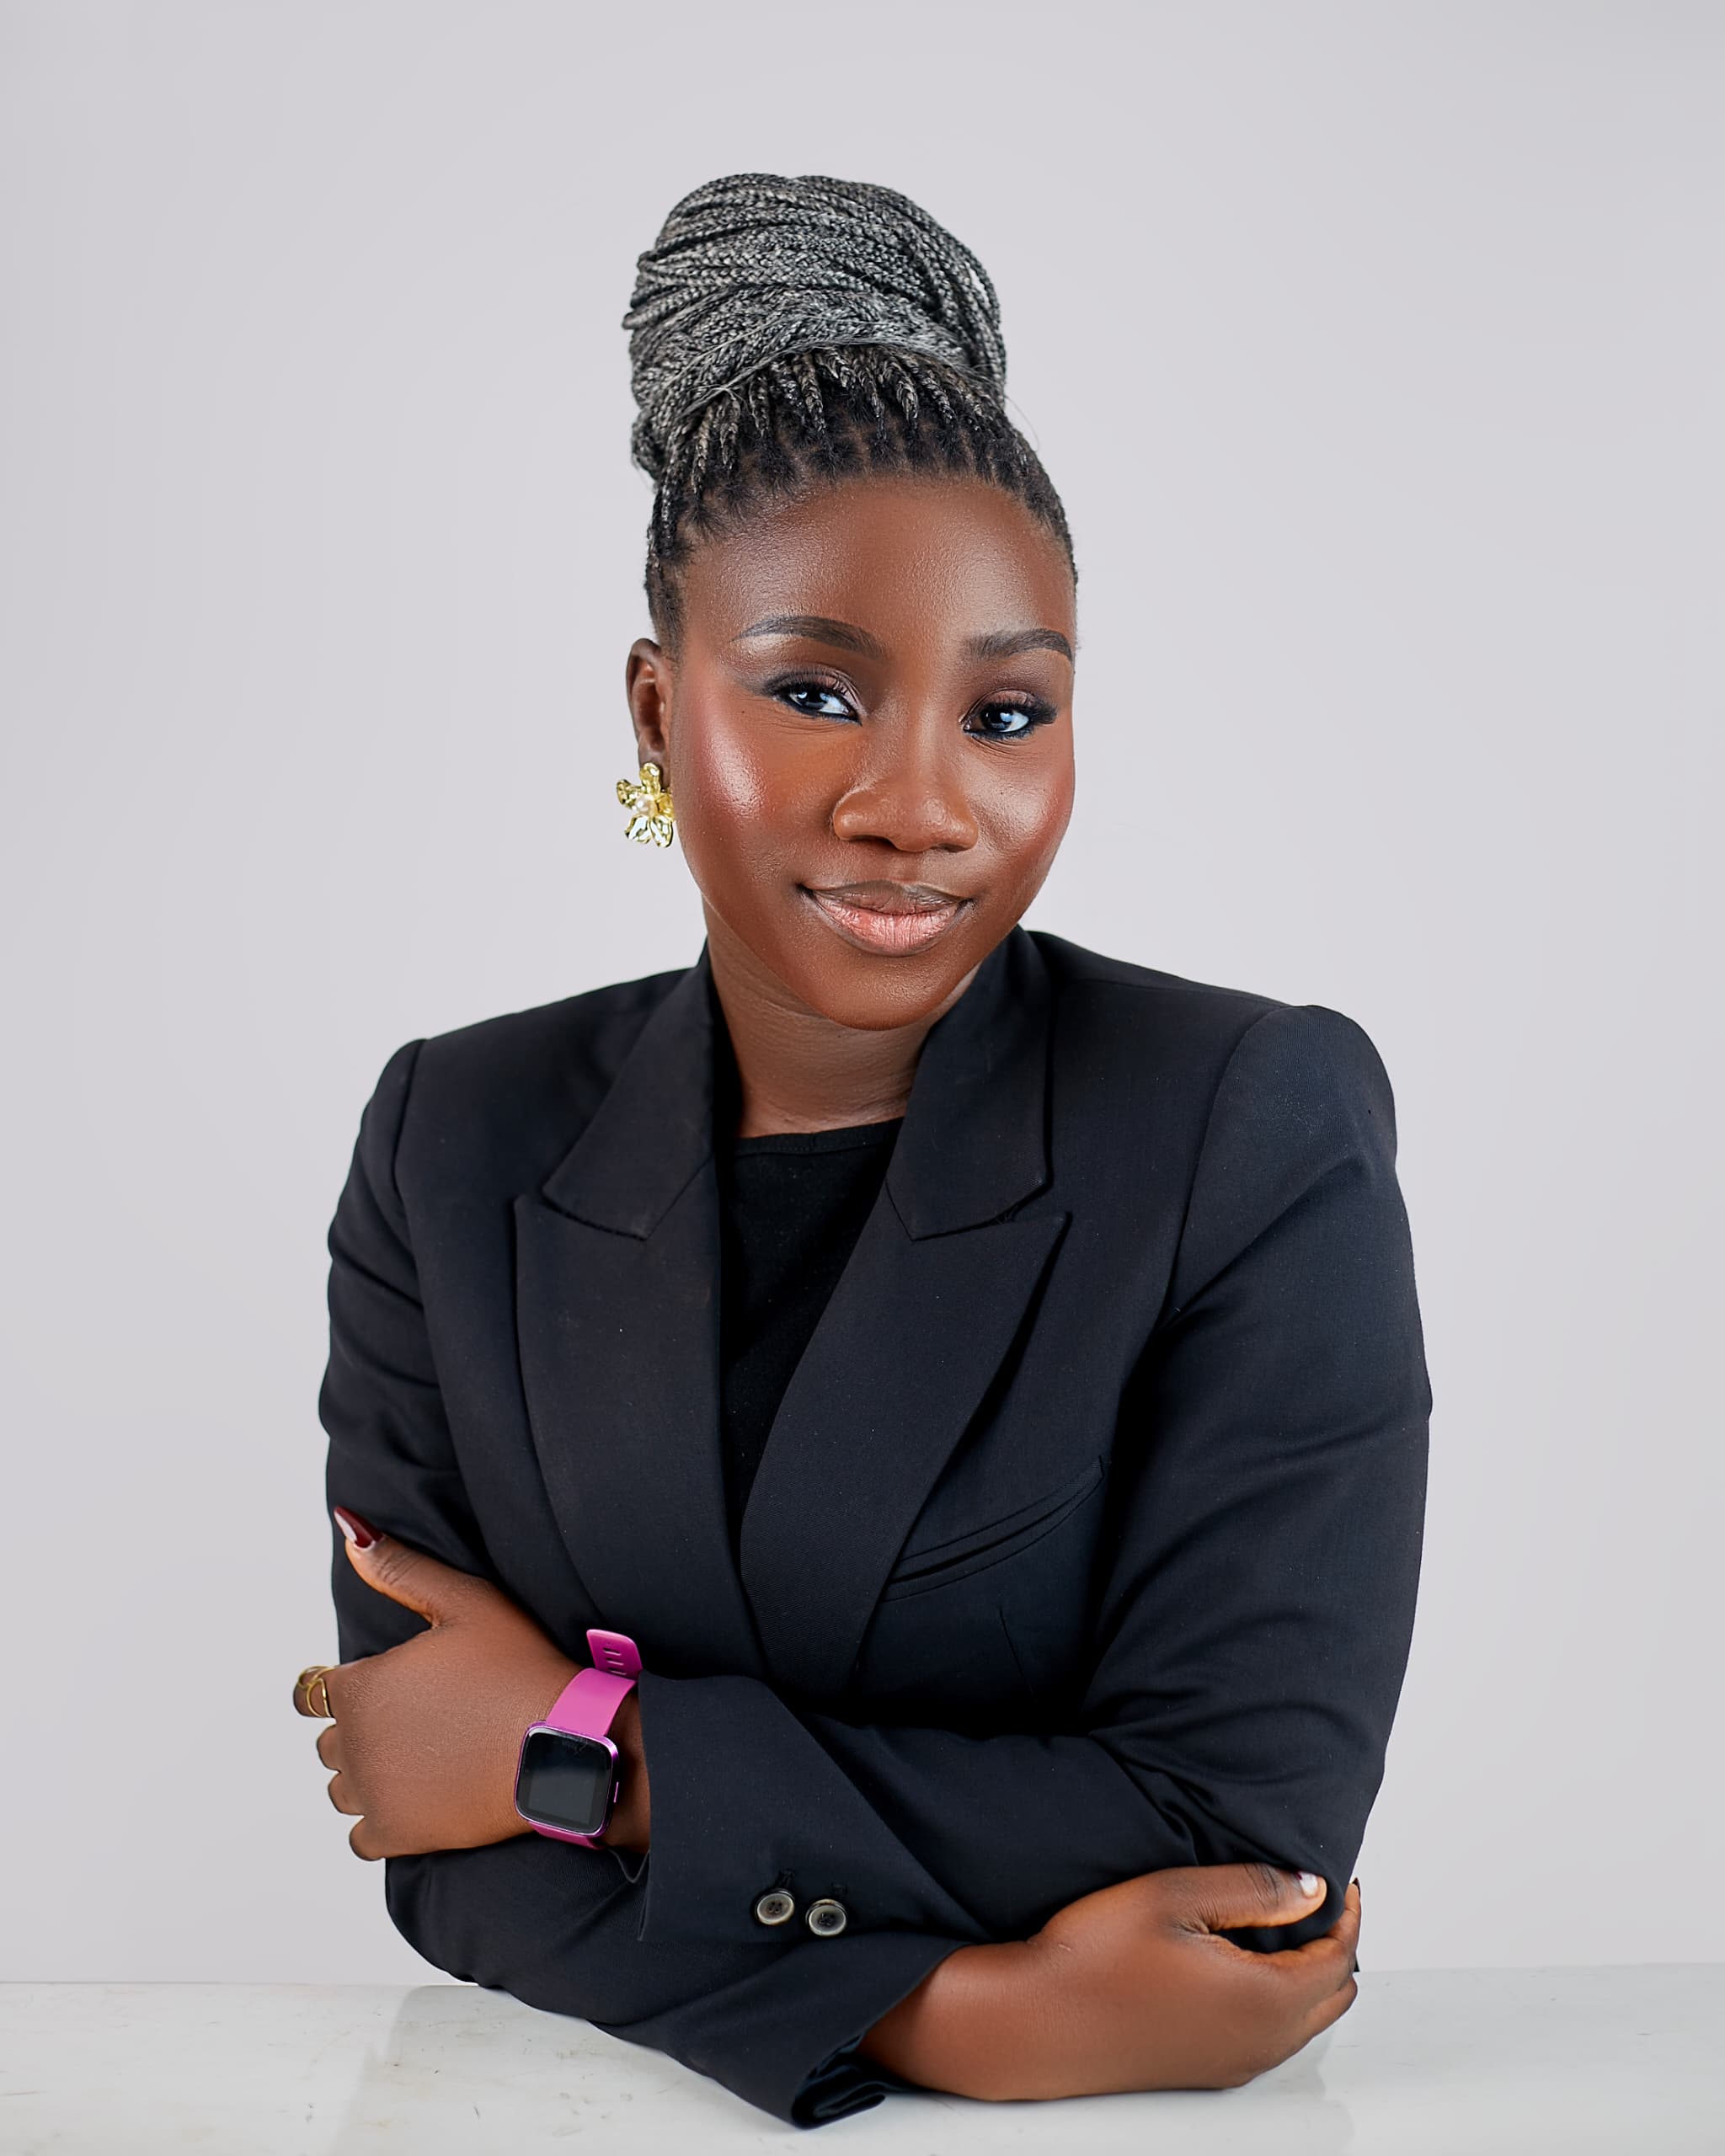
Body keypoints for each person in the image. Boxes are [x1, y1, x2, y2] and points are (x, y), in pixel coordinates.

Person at [292, 172, 1424, 2127]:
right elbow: (432, 1832)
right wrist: (942, 2015)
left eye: (1008, 710)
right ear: (658, 711)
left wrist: (590, 1753)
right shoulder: (452, 1138)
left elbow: (1236, 1839)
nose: (921, 805)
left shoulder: (1240, 1121)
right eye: (815, 690)